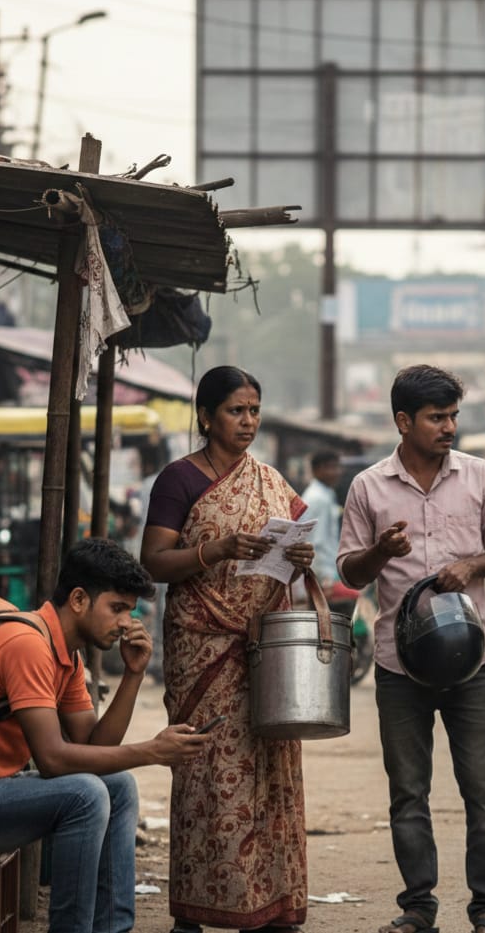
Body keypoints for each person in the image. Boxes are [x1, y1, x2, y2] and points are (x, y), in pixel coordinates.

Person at [0, 537, 209, 933]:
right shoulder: (27, 645)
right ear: (78, 600)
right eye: (117, 608)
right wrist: (153, 751)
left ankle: (113, 929)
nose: (127, 623)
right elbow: (54, 760)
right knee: (85, 795)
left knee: (119, 787)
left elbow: (95, 749)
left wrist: (133, 675)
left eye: (130, 611)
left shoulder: (65, 654)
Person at [337, 364, 485, 933]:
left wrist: (471, 565)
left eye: (453, 416)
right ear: (403, 421)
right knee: (408, 792)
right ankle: (418, 906)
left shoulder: (480, 476)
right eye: (437, 417)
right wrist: (381, 552)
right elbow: (349, 571)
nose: (449, 427)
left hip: (472, 661)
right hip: (400, 666)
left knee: (484, 790)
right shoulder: (368, 486)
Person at [140, 365, 315, 933]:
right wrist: (215, 549)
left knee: (271, 767)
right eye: (236, 411)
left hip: (263, 646)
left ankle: (271, 901)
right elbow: (153, 562)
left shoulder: (270, 480)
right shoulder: (178, 479)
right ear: (206, 416)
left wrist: (300, 558)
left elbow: (290, 553)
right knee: (205, 772)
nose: (248, 421)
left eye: (254, 410)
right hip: (203, 647)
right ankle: (197, 907)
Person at [300, 449, 342, 587]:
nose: (337, 472)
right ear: (316, 470)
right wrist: (326, 577)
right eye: (331, 467)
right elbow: (318, 541)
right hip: (321, 573)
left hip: (324, 569)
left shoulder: (326, 494)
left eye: (337, 467)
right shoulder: (318, 498)